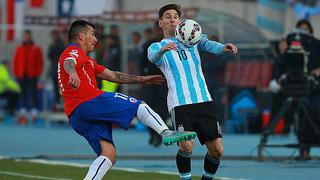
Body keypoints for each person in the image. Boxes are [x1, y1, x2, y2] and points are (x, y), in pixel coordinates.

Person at [58, 19, 197, 180]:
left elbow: (113, 75)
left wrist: (142, 79)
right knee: (139, 105)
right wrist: (73, 73)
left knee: (109, 154)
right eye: (92, 34)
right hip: (89, 101)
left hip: (76, 115)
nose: (96, 39)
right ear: (81, 36)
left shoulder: (87, 60)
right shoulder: (73, 51)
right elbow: (69, 63)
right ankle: (166, 132)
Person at [148, 4, 238, 180]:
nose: (172, 19)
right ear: (161, 23)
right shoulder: (156, 46)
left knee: (217, 150)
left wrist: (222, 47)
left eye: (175, 16)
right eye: (167, 16)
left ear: (180, 20)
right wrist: (162, 50)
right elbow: (153, 57)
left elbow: (208, 44)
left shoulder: (192, 38)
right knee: (186, 146)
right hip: (180, 103)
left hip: (204, 100)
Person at [13, 29, 43, 123]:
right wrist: (17, 74)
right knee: (22, 94)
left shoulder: (36, 48)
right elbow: (16, 62)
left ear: (31, 36)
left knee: (33, 94)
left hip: (32, 76)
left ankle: (33, 112)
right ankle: (23, 111)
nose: (27, 37)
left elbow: (40, 62)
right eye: (25, 36)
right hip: (21, 75)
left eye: (28, 36)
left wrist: (37, 74)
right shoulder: (19, 49)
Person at [48, 29, 65, 110]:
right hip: (55, 70)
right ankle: (58, 104)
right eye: (52, 35)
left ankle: (63, 105)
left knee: (62, 88)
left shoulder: (61, 44)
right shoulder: (52, 44)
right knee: (56, 89)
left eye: (54, 35)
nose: (53, 37)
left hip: (62, 71)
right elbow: (49, 56)